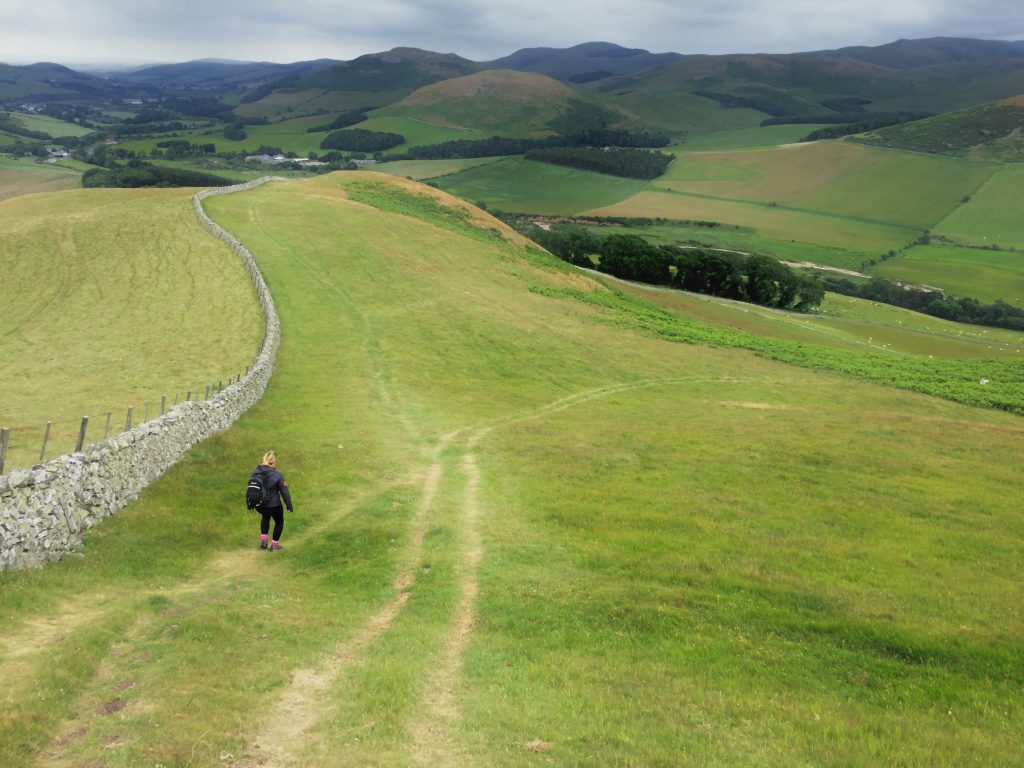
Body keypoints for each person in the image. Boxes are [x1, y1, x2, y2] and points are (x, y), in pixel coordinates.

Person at [253, 450, 293, 551]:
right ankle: (274, 545)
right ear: (274, 462)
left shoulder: (256, 473)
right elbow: (284, 492)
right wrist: (289, 505)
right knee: (279, 522)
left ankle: (264, 541)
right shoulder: (278, 475)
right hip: (274, 505)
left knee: (265, 517)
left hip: (260, 505)